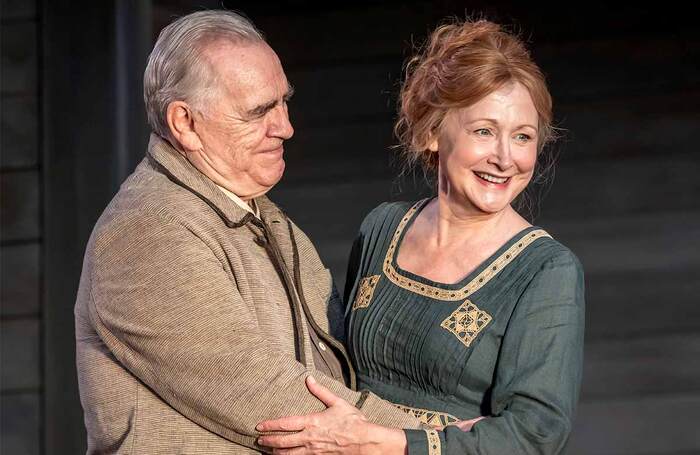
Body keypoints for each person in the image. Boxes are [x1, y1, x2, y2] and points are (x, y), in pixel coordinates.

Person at [73, 10, 424, 454]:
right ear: (185, 123)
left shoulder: (267, 219)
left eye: (283, 102)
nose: (285, 127)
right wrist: (435, 441)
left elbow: (340, 370)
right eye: (258, 111)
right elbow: (271, 397)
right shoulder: (146, 232)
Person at [257, 18, 585, 454]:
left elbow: (534, 434)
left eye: (522, 137)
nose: (505, 158)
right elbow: (340, 365)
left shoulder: (545, 271)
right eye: (484, 131)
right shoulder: (382, 228)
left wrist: (391, 443)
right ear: (432, 133)